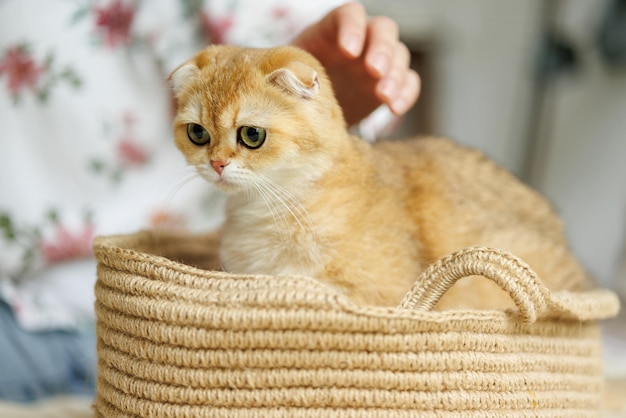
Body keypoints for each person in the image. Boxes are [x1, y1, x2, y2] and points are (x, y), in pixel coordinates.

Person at [0, 0, 419, 402]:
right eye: (199, 135)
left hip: (78, 312)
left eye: (249, 137)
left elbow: (353, 70)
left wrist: (332, 88)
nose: (217, 161)